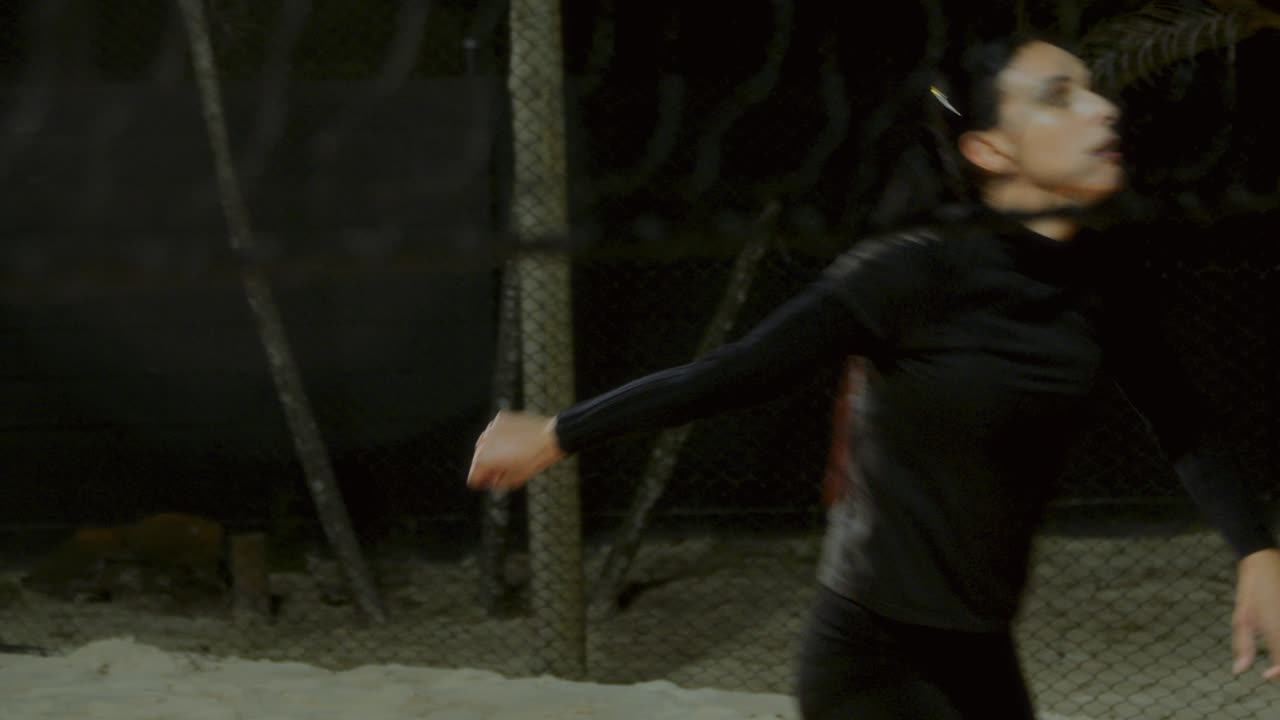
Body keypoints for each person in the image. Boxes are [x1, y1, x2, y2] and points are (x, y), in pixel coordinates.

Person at [466, 33, 1280, 719]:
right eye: (1059, 97)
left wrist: (1257, 554)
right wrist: (558, 433)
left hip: (981, 654)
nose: (1102, 108)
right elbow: (738, 373)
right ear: (991, 148)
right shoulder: (912, 276)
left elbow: (1184, 423)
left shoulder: (1102, 283)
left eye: (1093, 91)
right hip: (873, 660)